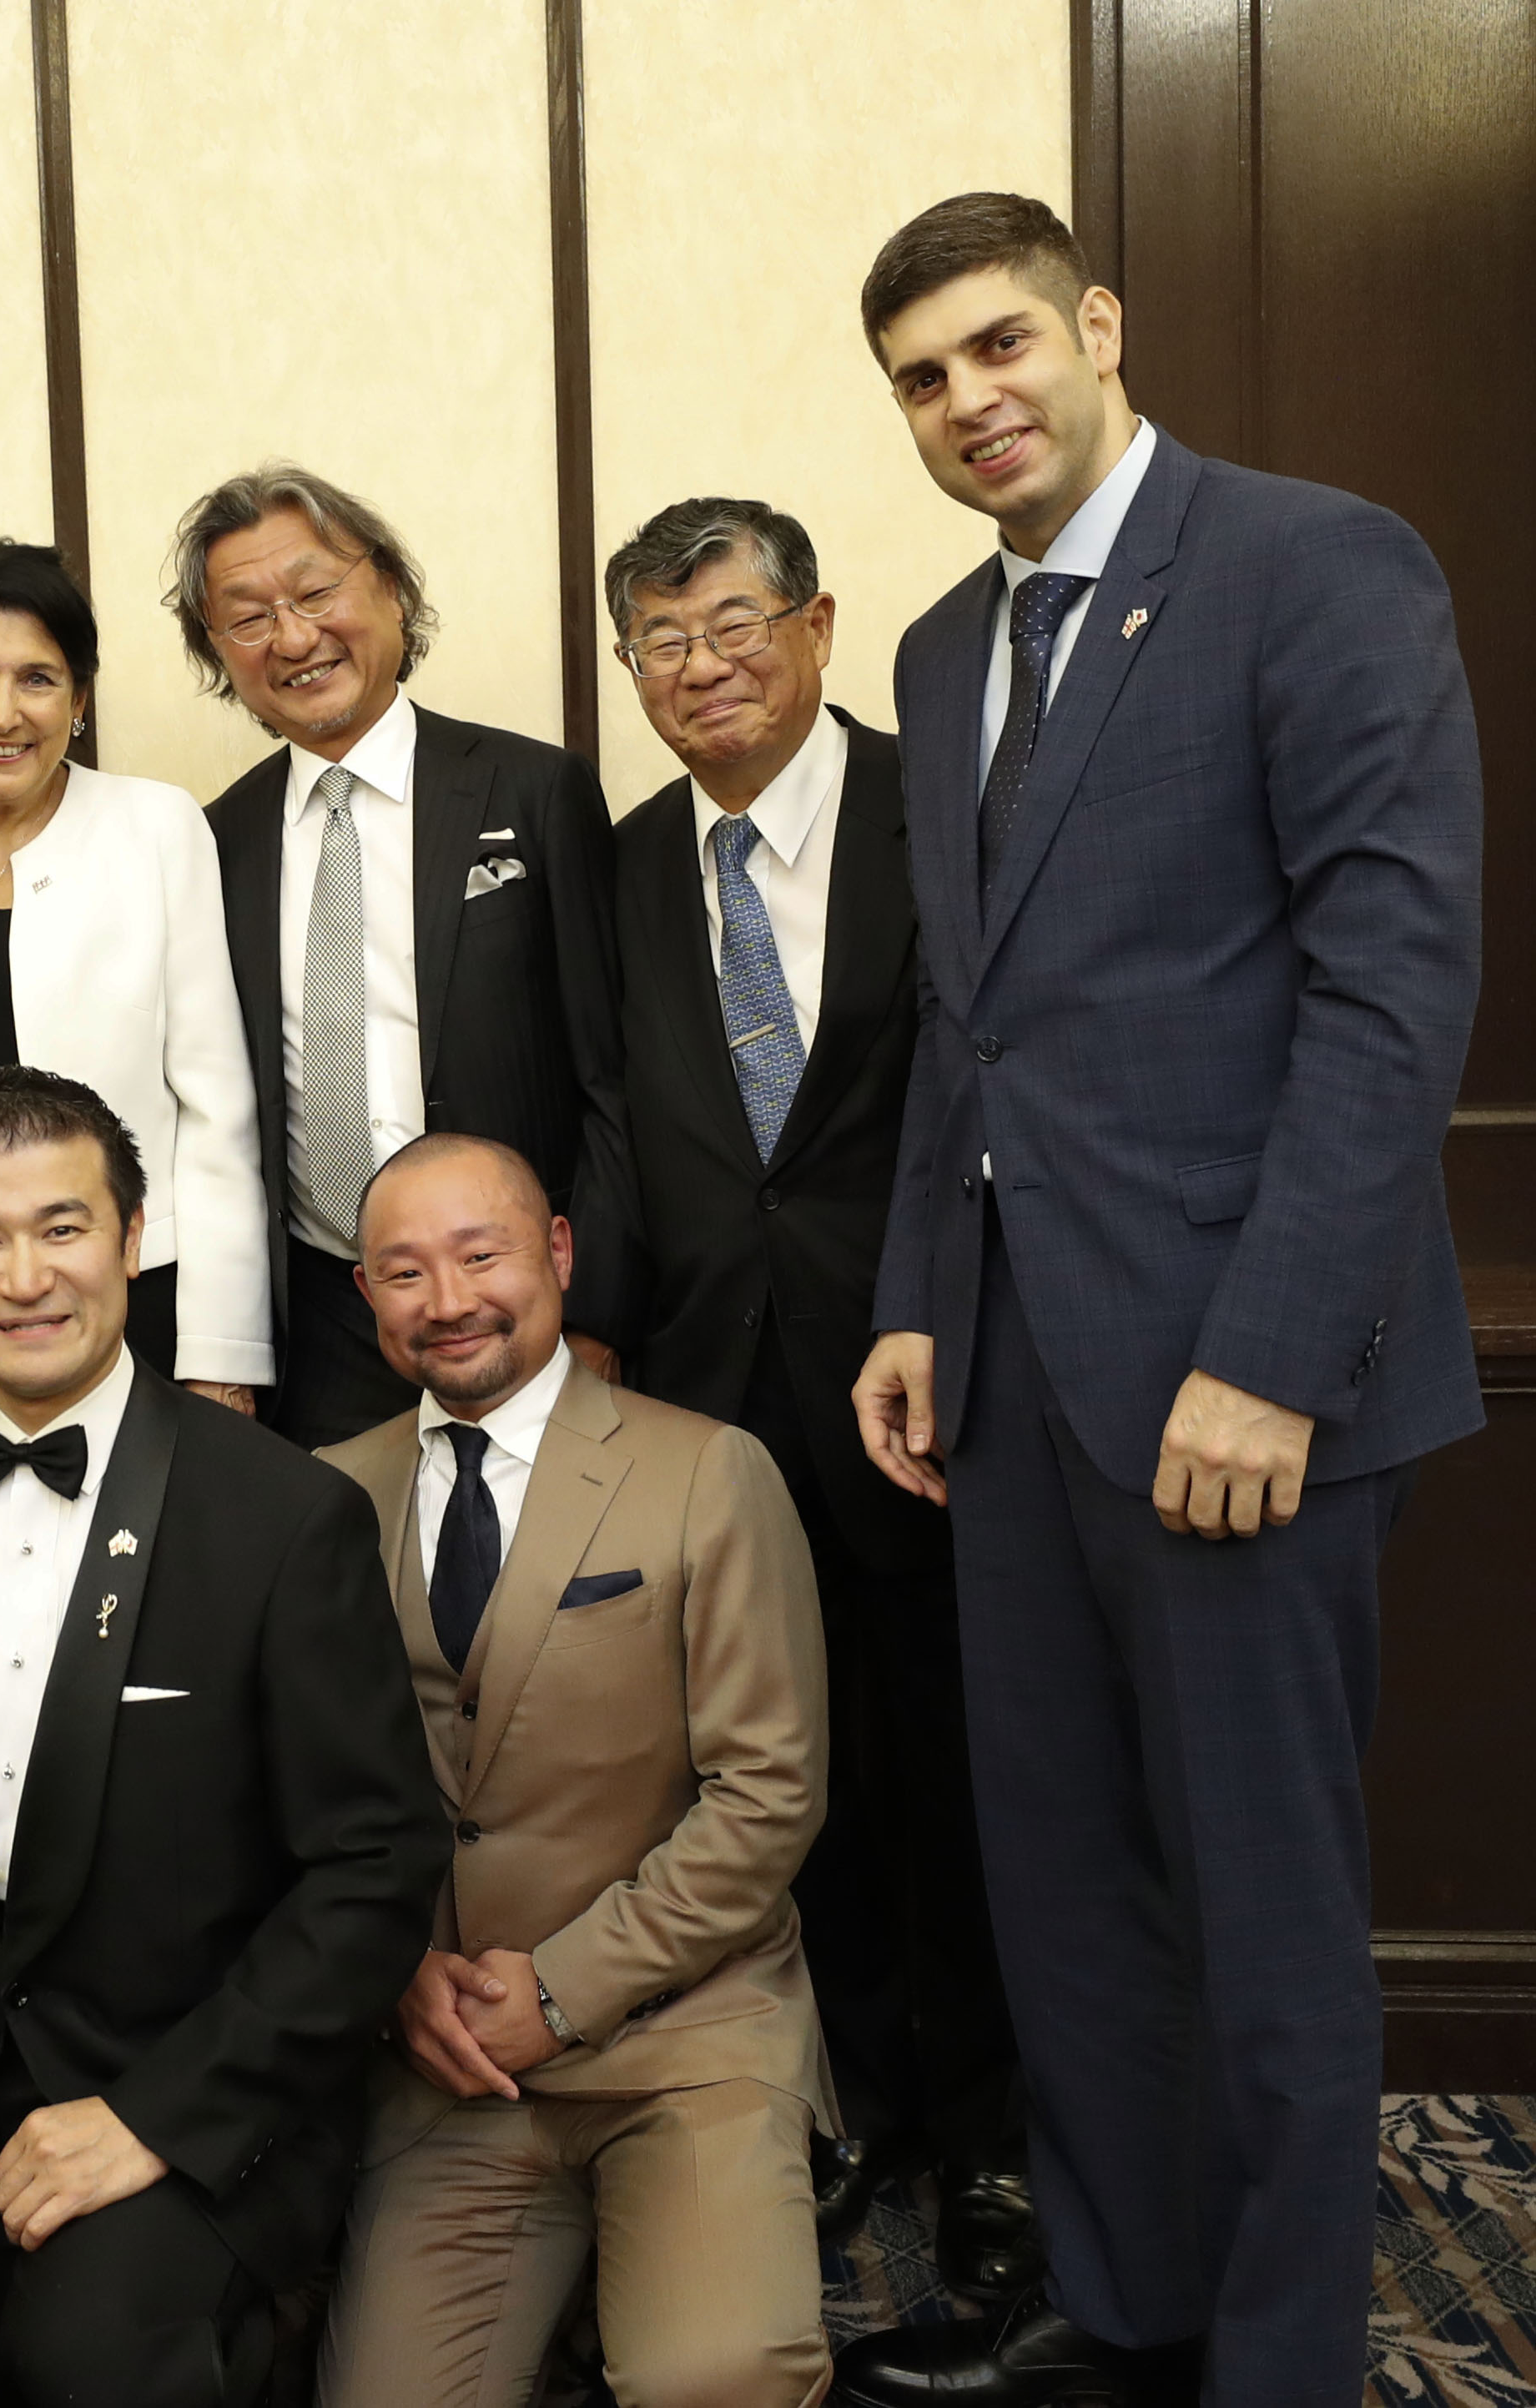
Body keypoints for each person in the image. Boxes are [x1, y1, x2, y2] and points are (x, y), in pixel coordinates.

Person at [837, 194, 1483, 2408]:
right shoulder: (937, 649)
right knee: (1073, 1910)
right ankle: (1126, 2314)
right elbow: (968, 1022)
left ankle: (1282, 2363)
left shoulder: (1312, 564)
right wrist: (919, 1296)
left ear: (1094, 326)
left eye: (999, 343)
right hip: (1015, 1387)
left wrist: (1264, 1354)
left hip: (1241, 1394)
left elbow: (1387, 997)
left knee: (1260, 1927)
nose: (966, 401)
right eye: (920, 378)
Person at [0, 1066, 442, 2408]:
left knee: (85, 2365)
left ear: (133, 1240)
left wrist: (151, 2121)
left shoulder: (283, 1515)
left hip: (198, 2093)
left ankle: (252, 2332)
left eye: (62, 1226)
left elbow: (373, 1870)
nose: (23, 1277)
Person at [601, 496, 1033, 2293]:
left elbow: (997, 1081)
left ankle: (1007, 2143)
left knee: (972, 1769)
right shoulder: (619, 864)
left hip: (925, 1368)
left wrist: (933, 1312)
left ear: (819, 624)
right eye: (661, 643)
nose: (702, 670)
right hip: (717, 1392)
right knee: (787, 1781)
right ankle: (857, 2108)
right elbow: (618, 1122)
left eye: (733, 624)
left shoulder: (950, 804)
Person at [313, 1132, 834, 2408]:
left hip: (684, 2033)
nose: (446, 1301)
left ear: (555, 1252)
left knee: (713, 2378)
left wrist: (558, 1988)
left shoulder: (710, 1470)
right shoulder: (324, 1499)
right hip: (450, 2063)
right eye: (401, 1270)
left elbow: (768, 1795)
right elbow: (299, 1808)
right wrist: (397, 1983)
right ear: (364, 1296)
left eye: (479, 1252)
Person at [176, 464, 637, 1448]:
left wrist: (596, 1308)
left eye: (315, 592)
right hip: (323, 1315)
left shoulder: (533, 790)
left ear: (388, 587)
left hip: (516, 1302)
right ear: (218, 651)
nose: (293, 638)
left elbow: (615, 1076)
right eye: (248, 617)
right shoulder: (217, 841)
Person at [0, 539, 269, 1434]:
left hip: (120, 1302)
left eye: (37, 679)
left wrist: (223, 1353)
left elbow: (219, 1110)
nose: (3, 712)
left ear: (79, 700)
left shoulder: (156, 827)